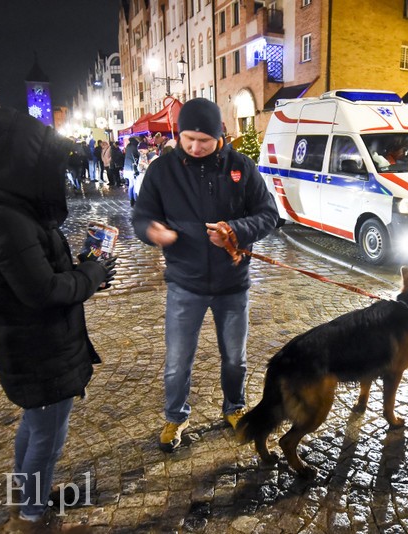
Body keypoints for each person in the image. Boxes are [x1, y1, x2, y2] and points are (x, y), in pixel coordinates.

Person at [0, 106, 115, 529]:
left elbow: (34, 273)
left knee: (36, 421)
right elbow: (42, 291)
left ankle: (27, 491)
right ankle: (32, 512)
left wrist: (83, 271)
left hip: (26, 342)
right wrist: (91, 274)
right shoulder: (3, 217)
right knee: (48, 432)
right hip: (39, 347)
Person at [132, 98, 278, 452]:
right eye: (189, 139)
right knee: (178, 361)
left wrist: (236, 230)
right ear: (179, 135)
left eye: (204, 141)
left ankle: (234, 407)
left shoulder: (240, 167)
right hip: (185, 283)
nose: (196, 147)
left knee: (235, 358)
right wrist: (152, 230)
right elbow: (142, 215)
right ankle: (175, 416)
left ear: (219, 137)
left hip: (232, 283)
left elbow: (269, 214)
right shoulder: (162, 170)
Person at [123, 137, 140, 206]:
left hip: (127, 167)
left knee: (131, 184)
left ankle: (131, 200)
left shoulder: (128, 146)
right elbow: (137, 156)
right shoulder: (135, 147)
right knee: (135, 184)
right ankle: (135, 200)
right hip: (132, 168)